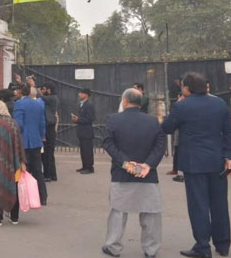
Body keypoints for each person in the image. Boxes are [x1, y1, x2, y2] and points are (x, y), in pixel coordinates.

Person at [162, 72, 231, 258]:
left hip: (194, 163)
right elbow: (228, 131)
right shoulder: (219, 103)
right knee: (219, 204)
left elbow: (166, 128)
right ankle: (223, 244)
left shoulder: (182, 106)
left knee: (198, 205)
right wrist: (228, 155)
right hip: (217, 161)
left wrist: (175, 107)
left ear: (186, 88)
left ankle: (202, 246)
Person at [101, 88, 166, 258]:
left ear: (124, 101)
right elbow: (160, 146)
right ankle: (151, 250)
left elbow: (108, 143)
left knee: (117, 212)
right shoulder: (153, 121)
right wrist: (147, 165)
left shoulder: (113, 119)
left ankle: (113, 246)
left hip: (122, 173)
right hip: (147, 175)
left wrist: (125, 163)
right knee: (150, 213)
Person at [13, 84, 48, 205]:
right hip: (36, 139)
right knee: (38, 169)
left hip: (24, 140)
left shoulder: (19, 104)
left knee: (24, 170)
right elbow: (42, 122)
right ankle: (42, 196)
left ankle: (25, 196)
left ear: (20, 92)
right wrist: (41, 135)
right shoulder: (38, 104)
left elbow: (19, 124)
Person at [73, 88, 96, 174]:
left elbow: (90, 119)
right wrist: (76, 119)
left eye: (81, 93)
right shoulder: (81, 104)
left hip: (87, 132)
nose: (79, 95)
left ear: (86, 95)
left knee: (88, 151)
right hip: (81, 131)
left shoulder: (89, 105)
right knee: (83, 150)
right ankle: (84, 166)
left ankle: (89, 167)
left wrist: (79, 119)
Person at [40, 83, 59, 182]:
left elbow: (40, 96)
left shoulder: (52, 98)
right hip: (49, 127)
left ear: (49, 90)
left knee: (48, 152)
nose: (43, 91)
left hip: (49, 128)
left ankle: (48, 175)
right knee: (48, 153)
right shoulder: (52, 98)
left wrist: (33, 86)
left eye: (44, 89)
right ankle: (52, 174)